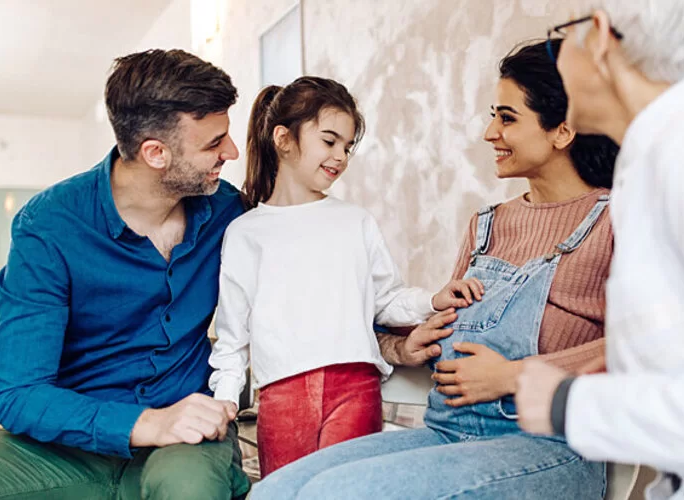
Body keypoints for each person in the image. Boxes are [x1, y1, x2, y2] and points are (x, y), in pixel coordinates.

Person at [250, 39, 619, 499]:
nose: (489, 133)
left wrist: (513, 376)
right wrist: (407, 346)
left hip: (546, 445)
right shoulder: (487, 225)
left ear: (562, 131)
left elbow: (650, 348)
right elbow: (441, 330)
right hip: (448, 433)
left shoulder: (615, 220)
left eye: (507, 118)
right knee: (275, 491)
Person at [0, 49, 251, 499]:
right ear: (155, 153)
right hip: (69, 443)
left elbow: (301, 282)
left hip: (186, 438)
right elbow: (19, 392)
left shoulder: (230, 214)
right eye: (214, 143)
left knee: (188, 490)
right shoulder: (49, 227)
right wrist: (146, 423)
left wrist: (391, 340)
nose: (231, 153)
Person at [516, 1, 684, 498]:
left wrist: (573, 403)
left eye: (561, 36)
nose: (558, 58)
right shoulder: (657, 159)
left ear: (601, 36)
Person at [209, 76, 480, 477]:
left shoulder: (356, 222)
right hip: (282, 398)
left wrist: (431, 301)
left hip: (357, 389)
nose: (341, 156)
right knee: (288, 491)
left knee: (350, 488)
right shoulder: (245, 233)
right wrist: (225, 400)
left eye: (348, 146)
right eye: (330, 141)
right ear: (283, 138)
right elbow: (232, 338)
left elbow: (386, 300)